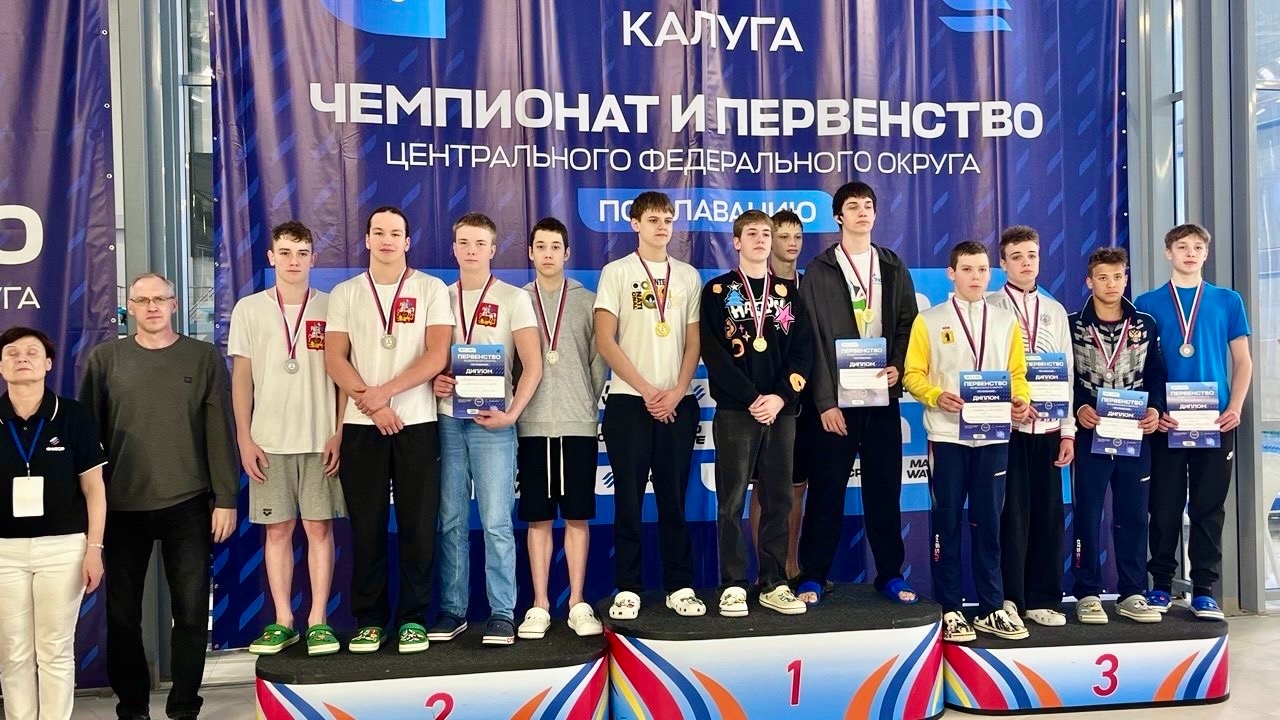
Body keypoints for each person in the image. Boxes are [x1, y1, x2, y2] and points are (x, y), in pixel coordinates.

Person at [81, 273, 238, 720]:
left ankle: (184, 707)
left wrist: (226, 497)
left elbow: (218, 430)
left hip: (188, 504)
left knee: (191, 612)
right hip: (120, 508)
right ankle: (132, 708)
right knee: (122, 616)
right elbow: (87, 438)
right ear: (129, 307)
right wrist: (88, 512)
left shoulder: (203, 357)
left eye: (160, 299)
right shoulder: (105, 359)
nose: (151, 306)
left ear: (174, 304)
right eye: (142, 300)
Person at [324, 206, 454, 654]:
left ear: (407, 241)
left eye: (395, 233)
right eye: (378, 232)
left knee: (418, 525)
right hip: (362, 426)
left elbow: (437, 355)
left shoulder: (431, 288)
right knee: (367, 527)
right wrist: (372, 403)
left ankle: (413, 618)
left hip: (416, 422)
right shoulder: (344, 293)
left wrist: (385, 394)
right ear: (366, 240)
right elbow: (334, 358)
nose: (386, 240)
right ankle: (370, 619)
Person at [796, 181, 919, 606]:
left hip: (882, 396)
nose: (862, 212)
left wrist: (898, 365)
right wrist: (824, 402)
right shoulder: (819, 270)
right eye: (853, 206)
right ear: (838, 217)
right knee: (826, 492)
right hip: (835, 404)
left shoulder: (892, 265)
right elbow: (810, 339)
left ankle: (890, 575)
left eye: (868, 205)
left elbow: (907, 323)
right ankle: (813, 575)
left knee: (884, 490)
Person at [903, 241, 1032, 642]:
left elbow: (1017, 374)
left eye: (982, 270)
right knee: (947, 521)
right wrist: (934, 395)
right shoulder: (929, 320)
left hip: (993, 435)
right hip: (947, 435)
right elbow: (912, 373)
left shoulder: (1005, 321)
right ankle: (951, 608)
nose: (976, 277)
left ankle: (991, 607)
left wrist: (1020, 400)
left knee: (989, 523)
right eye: (968, 269)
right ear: (951, 273)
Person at [229, 221, 346, 656]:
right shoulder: (249, 309)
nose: (293, 261)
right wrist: (244, 437)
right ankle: (283, 620)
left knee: (319, 528)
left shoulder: (333, 307)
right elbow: (241, 379)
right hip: (268, 441)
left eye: (301, 253)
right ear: (271, 257)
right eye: (285, 252)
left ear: (314, 258)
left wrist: (339, 431)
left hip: (320, 439)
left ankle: (318, 620)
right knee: (277, 531)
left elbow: (344, 377)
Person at [428, 213, 542, 647]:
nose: (471, 250)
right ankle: (452, 610)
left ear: (493, 249)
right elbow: (431, 359)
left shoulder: (514, 298)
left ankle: (502, 612)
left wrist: (512, 414)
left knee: (496, 521)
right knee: (450, 520)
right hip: (447, 419)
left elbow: (533, 366)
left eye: (479, 243)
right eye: (464, 242)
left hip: (495, 423)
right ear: (453, 248)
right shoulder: (439, 297)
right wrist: (436, 381)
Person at [595, 191, 704, 620]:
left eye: (667, 220)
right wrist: (646, 390)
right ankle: (628, 587)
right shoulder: (616, 272)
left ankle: (680, 585)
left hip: (677, 403)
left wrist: (676, 390)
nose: (662, 227)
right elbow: (605, 340)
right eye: (653, 219)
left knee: (674, 498)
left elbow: (693, 341)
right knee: (628, 499)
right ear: (635, 224)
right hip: (629, 402)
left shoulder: (688, 276)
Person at [1137, 224, 1252, 620]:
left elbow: (1243, 360)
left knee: (1208, 508)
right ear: (1167, 252)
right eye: (1182, 246)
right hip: (1167, 422)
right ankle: (1160, 586)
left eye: (1198, 247)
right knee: (1163, 506)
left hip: (1215, 421)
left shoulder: (1227, 300)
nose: (1190, 253)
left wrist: (1235, 406)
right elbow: (1141, 365)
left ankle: (1204, 590)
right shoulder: (1147, 303)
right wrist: (1154, 409)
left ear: (1206, 253)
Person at [701, 210, 813, 617]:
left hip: (781, 413)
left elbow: (803, 352)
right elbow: (713, 353)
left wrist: (780, 397)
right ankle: (733, 583)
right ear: (736, 242)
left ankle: (773, 581)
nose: (762, 239)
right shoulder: (717, 291)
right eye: (752, 233)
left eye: (767, 233)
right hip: (737, 409)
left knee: (778, 497)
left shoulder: (788, 294)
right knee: (731, 500)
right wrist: (751, 397)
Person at [0, 328, 106, 720]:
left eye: (32, 352)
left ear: (47, 364)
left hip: (63, 548)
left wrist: (94, 549)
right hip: (4, 551)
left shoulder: (74, 416)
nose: (22, 358)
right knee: (13, 651)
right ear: (1, 366)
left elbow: (95, 489)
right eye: (12, 353)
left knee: (55, 649)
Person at [514, 218, 606, 640]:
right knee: (537, 518)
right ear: (530, 252)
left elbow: (597, 362)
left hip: (578, 424)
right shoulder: (516, 302)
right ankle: (539, 604)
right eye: (541, 246)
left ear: (567, 253)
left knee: (576, 515)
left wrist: (584, 402)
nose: (548, 253)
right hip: (530, 424)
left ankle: (577, 603)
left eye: (555, 246)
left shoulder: (588, 302)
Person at [1069, 247, 1165, 624]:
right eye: (1103, 277)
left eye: (1118, 276)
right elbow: (1064, 377)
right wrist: (1079, 408)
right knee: (1087, 514)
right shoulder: (1073, 324)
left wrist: (1155, 408)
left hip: (1134, 434)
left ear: (1126, 278)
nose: (1111, 284)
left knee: (1134, 515)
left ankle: (1132, 592)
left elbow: (1156, 373)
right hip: (1090, 434)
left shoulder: (1145, 324)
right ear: (1089, 281)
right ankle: (1087, 593)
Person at [986, 226, 1076, 629]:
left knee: (1048, 515)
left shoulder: (1055, 310)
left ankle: (1044, 598)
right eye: (1017, 256)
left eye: (1032, 255)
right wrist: (1006, 408)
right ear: (1003, 263)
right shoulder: (989, 306)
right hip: (1008, 429)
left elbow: (1067, 372)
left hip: (1049, 429)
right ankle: (1010, 597)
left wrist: (1068, 430)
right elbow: (985, 369)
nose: (1026, 263)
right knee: (1011, 515)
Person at [748, 209, 808, 580]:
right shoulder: (753, 287)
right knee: (763, 487)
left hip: (801, 400)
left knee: (796, 486)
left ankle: (790, 564)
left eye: (797, 237)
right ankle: (764, 570)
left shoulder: (811, 284)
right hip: (762, 403)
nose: (791, 243)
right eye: (783, 236)